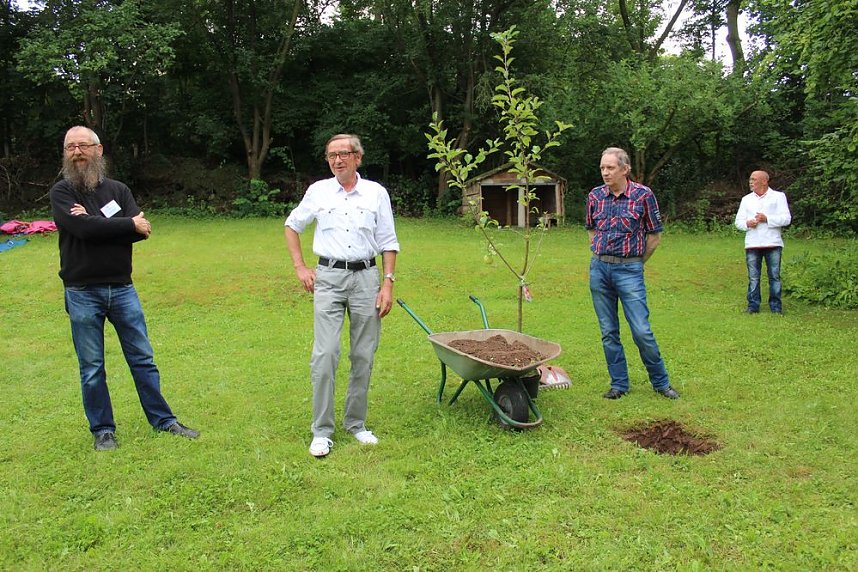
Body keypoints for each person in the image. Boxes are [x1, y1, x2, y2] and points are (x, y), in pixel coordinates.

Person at [50, 126, 199, 451]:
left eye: (83, 146)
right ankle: (103, 431)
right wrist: (122, 225)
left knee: (143, 359)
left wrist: (101, 223)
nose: (76, 152)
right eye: (70, 147)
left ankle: (164, 421)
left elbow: (139, 231)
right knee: (92, 367)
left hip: (122, 289)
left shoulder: (118, 190)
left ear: (98, 150)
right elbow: (83, 230)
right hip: (81, 291)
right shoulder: (62, 192)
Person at [284, 134, 400, 458]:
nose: (337, 160)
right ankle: (321, 431)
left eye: (344, 154)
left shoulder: (376, 193)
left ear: (357, 158)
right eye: (332, 155)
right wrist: (299, 267)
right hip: (329, 278)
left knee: (363, 354)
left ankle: (356, 424)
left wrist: (387, 283)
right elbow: (292, 226)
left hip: (367, 278)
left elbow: (388, 241)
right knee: (326, 354)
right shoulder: (318, 192)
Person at [585, 147, 679, 400]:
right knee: (608, 331)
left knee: (641, 330)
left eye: (610, 168)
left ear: (624, 170)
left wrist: (637, 262)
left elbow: (655, 236)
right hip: (599, 270)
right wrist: (598, 251)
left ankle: (661, 383)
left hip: (629, 269)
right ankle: (619, 384)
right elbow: (591, 230)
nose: (605, 172)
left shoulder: (643, 196)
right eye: (603, 168)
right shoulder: (595, 196)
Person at [734, 170, 792, 314]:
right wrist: (748, 223)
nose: (751, 182)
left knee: (774, 275)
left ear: (764, 181)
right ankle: (753, 306)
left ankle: (776, 307)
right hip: (752, 243)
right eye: (750, 179)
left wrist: (768, 219)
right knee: (753, 277)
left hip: (773, 243)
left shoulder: (778, 197)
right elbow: (738, 222)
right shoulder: (746, 199)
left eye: (754, 179)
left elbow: (786, 219)